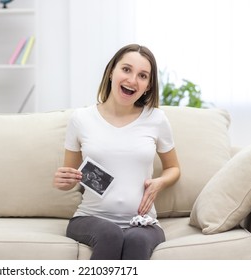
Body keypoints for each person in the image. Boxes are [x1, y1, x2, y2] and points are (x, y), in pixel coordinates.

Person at [53, 44, 181, 260]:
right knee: (110, 234)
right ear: (111, 71)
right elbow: (71, 176)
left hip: (142, 222)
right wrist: (64, 181)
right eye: (126, 69)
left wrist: (160, 182)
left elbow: (173, 168)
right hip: (90, 217)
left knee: (136, 239)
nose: (132, 80)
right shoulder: (81, 118)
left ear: (148, 86)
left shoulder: (156, 119)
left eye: (142, 75)